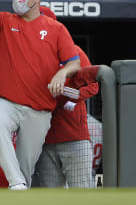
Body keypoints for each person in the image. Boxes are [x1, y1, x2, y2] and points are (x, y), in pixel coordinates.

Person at [0, 0, 80, 190]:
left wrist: (61, 72)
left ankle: (17, 186)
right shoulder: (7, 21)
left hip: (39, 109)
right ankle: (15, 183)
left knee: (25, 170)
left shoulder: (55, 28)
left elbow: (74, 62)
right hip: (8, 101)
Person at [33, 45, 99, 188]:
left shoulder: (73, 51)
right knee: (51, 199)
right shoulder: (32, 52)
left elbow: (93, 85)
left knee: (82, 195)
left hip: (75, 137)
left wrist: (68, 95)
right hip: (45, 140)